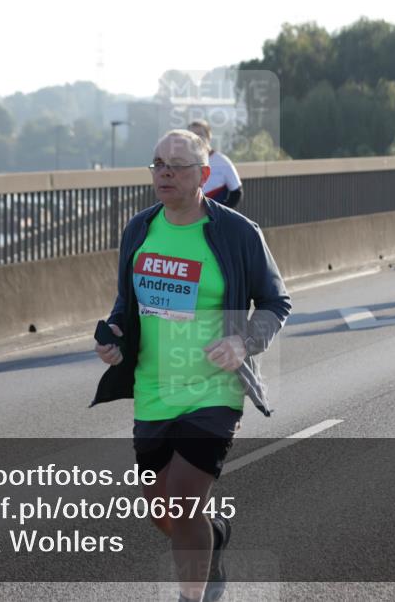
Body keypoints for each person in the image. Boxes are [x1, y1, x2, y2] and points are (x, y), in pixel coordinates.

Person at [92, 129, 290, 602]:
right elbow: (127, 303)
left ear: (203, 175)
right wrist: (115, 336)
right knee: (165, 515)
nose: (164, 172)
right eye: (157, 163)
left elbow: (274, 301)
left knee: (180, 507)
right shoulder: (139, 229)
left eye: (176, 165)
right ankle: (215, 534)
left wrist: (244, 342)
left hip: (214, 390)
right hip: (154, 389)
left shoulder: (237, 233)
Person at [188, 119, 243, 209]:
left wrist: (222, 213)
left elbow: (237, 192)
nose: (196, 138)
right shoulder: (183, 162)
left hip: (214, 219)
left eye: (200, 135)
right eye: (192, 135)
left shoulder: (222, 162)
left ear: (209, 136)